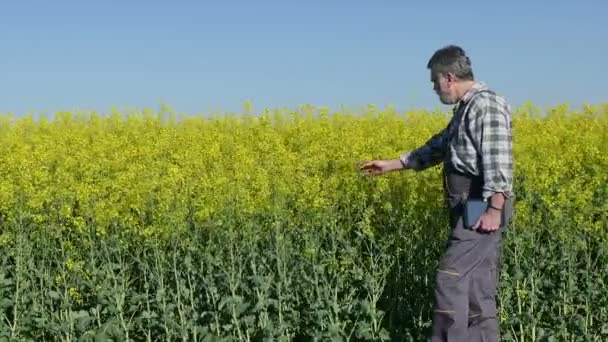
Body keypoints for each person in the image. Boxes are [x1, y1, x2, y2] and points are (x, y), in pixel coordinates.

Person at [359, 45, 514, 341]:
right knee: (476, 285)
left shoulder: (486, 105)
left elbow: (499, 160)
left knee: (451, 279)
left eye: (434, 82)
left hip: (480, 205)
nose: (434, 88)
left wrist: (495, 209)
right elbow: (439, 146)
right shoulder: (468, 108)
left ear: (449, 77)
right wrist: (392, 164)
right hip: (472, 205)